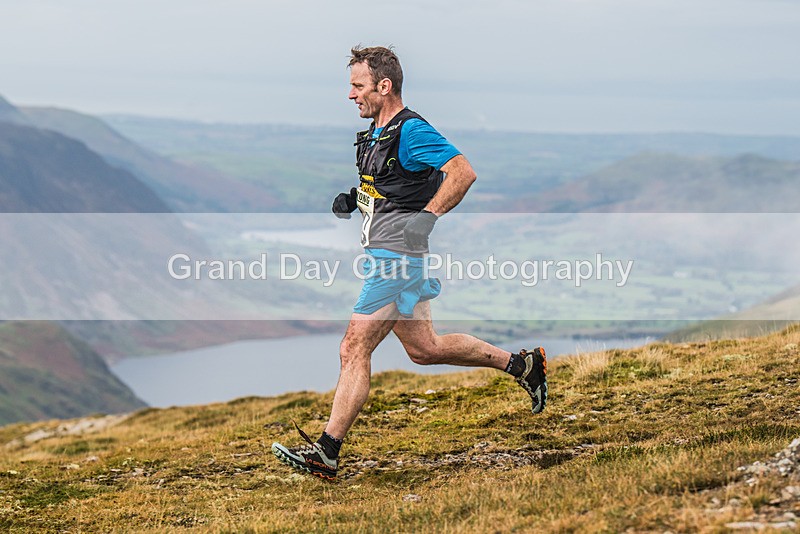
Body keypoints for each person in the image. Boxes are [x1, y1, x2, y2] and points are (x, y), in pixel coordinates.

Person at [272, 45, 547, 480]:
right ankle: (522, 365)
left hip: (395, 260)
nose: (350, 95)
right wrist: (354, 198)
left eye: (358, 86)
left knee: (352, 347)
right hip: (390, 256)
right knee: (425, 349)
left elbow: (463, 172)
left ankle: (326, 452)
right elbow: (392, 184)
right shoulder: (376, 133)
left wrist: (428, 217)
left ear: (385, 86)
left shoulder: (412, 130)